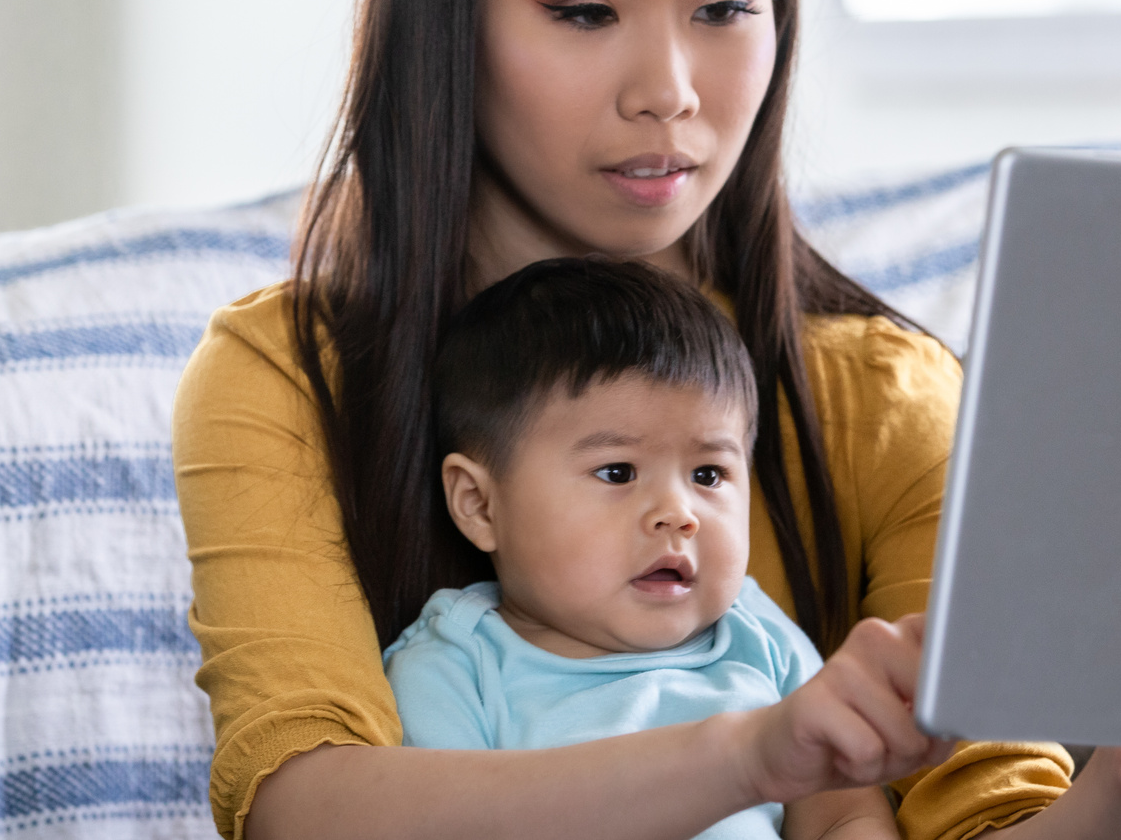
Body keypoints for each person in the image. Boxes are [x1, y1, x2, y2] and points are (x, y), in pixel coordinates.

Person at [171, 0, 1121, 840]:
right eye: (583, 10)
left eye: (725, 4)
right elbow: (305, 808)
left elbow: (985, 820)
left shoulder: (882, 396)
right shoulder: (286, 374)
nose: (668, 88)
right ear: (447, 18)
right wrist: (749, 751)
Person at [386, 255, 921, 840]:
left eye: (709, 475)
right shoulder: (457, 665)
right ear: (480, 504)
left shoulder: (759, 636)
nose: (679, 514)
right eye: (617, 473)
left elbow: (843, 813)